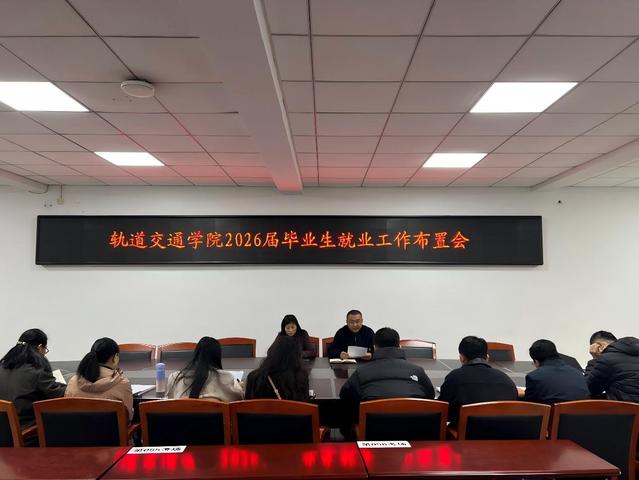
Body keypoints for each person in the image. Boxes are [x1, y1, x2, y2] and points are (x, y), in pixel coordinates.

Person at [340, 327, 435, 402]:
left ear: (375, 347)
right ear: (399, 346)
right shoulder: (417, 371)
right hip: (414, 420)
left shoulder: (361, 372)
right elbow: (430, 395)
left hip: (373, 421)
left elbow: (345, 395)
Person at [439, 336, 517, 426]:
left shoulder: (454, 377)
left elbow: (442, 409)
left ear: (462, 358)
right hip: (504, 432)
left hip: (466, 433)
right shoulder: (506, 379)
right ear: (487, 357)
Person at [0, 329, 66, 428]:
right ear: (39, 347)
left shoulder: (2, 366)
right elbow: (57, 393)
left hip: (5, 431)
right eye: (45, 349)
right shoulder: (36, 371)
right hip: (26, 430)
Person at [65, 337, 134, 420]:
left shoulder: (73, 381)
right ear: (115, 357)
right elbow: (128, 417)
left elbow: (67, 411)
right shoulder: (122, 384)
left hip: (77, 427)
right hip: (110, 428)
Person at [166, 337, 244, 401]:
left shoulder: (174, 377)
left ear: (196, 353)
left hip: (183, 416)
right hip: (214, 416)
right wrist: (238, 385)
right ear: (217, 357)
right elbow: (238, 399)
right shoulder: (225, 377)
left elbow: (170, 402)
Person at [524, 339, 589, 404]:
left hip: (554, 410)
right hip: (582, 410)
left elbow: (530, 405)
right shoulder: (578, 374)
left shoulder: (534, 377)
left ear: (536, 361)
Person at [245, 335, 309, 401]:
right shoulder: (301, 378)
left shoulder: (254, 378)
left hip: (262, 408)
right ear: (297, 356)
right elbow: (305, 403)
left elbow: (246, 404)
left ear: (272, 351)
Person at [587, 335, 639, 403]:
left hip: (625, 409)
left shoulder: (608, 358)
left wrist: (596, 359)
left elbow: (589, 389)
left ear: (600, 346)